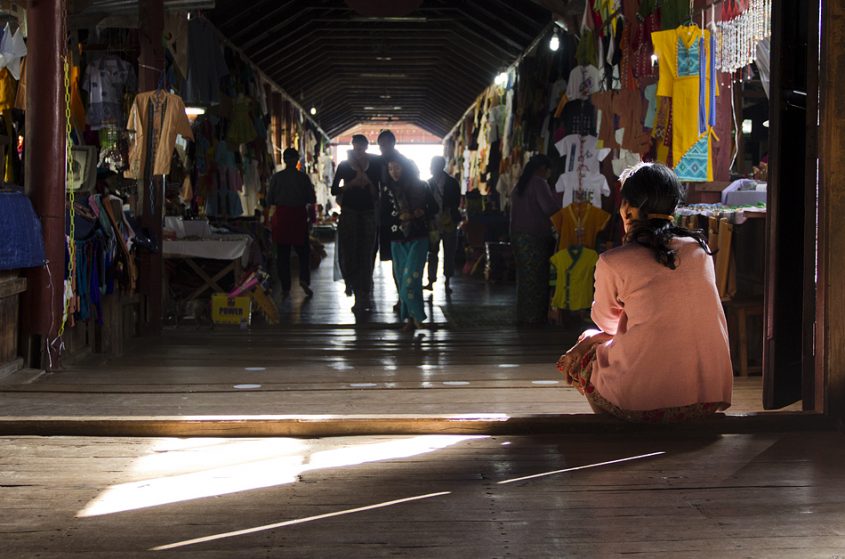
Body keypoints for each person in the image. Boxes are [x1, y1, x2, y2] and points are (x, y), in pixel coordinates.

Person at [556, 163, 733, 422]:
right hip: (706, 400)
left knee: (589, 339)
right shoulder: (700, 251)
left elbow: (607, 323)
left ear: (627, 209)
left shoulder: (613, 261)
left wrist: (588, 341)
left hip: (641, 405)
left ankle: (620, 426)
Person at [380, 158, 437, 332]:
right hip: (397, 239)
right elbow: (383, 215)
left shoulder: (422, 187)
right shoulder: (387, 189)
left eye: (397, 167)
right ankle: (411, 320)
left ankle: (417, 316)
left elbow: (433, 208)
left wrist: (419, 212)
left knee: (410, 279)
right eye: (390, 169)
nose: (393, 172)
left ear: (406, 168)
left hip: (418, 237)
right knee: (403, 279)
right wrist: (400, 217)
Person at [331, 134, 380, 312]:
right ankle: (350, 282)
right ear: (352, 146)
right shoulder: (344, 166)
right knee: (348, 250)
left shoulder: (374, 165)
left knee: (366, 253)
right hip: (349, 212)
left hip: (368, 213)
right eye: (356, 146)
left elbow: (377, 193)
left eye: (362, 146)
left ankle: (363, 293)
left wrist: (368, 184)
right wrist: (350, 184)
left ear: (366, 147)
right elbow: (334, 189)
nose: (359, 149)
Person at [509, 154, 558, 325]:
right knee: (537, 278)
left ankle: (525, 315)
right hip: (535, 237)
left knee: (524, 279)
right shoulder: (539, 183)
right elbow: (549, 208)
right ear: (543, 169)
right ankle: (536, 317)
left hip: (518, 236)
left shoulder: (521, 184)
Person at [266, 147, 317, 299]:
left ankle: (286, 288)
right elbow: (311, 199)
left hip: (282, 216)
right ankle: (304, 279)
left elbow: (270, 200)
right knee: (303, 252)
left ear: (284, 160)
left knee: (283, 254)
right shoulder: (303, 178)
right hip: (298, 216)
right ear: (297, 161)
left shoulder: (276, 177)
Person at [424, 156, 461, 294]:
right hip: (434, 223)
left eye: (434, 165)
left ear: (440, 166)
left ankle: (447, 280)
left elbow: (456, 202)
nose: (432, 168)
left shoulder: (450, 183)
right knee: (433, 252)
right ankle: (431, 280)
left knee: (448, 252)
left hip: (448, 222)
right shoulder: (431, 183)